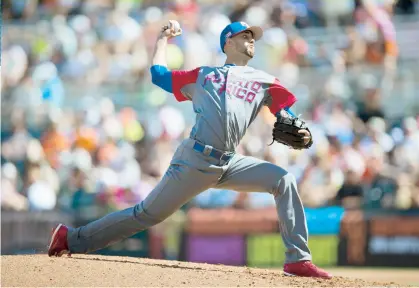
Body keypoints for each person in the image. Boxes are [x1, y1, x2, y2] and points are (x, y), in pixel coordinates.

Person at [48, 21, 332, 279]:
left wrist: (301, 129)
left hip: (230, 163)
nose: (251, 39)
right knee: (145, 215)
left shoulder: (265, 81)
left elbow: (287, 113)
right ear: (227, 43)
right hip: (194, 160)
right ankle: (70, 238)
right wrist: (162, 41)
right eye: (244, 35)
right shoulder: (204, 75)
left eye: (253, 36)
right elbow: (159, 75)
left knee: (284, 179)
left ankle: (298, 259)